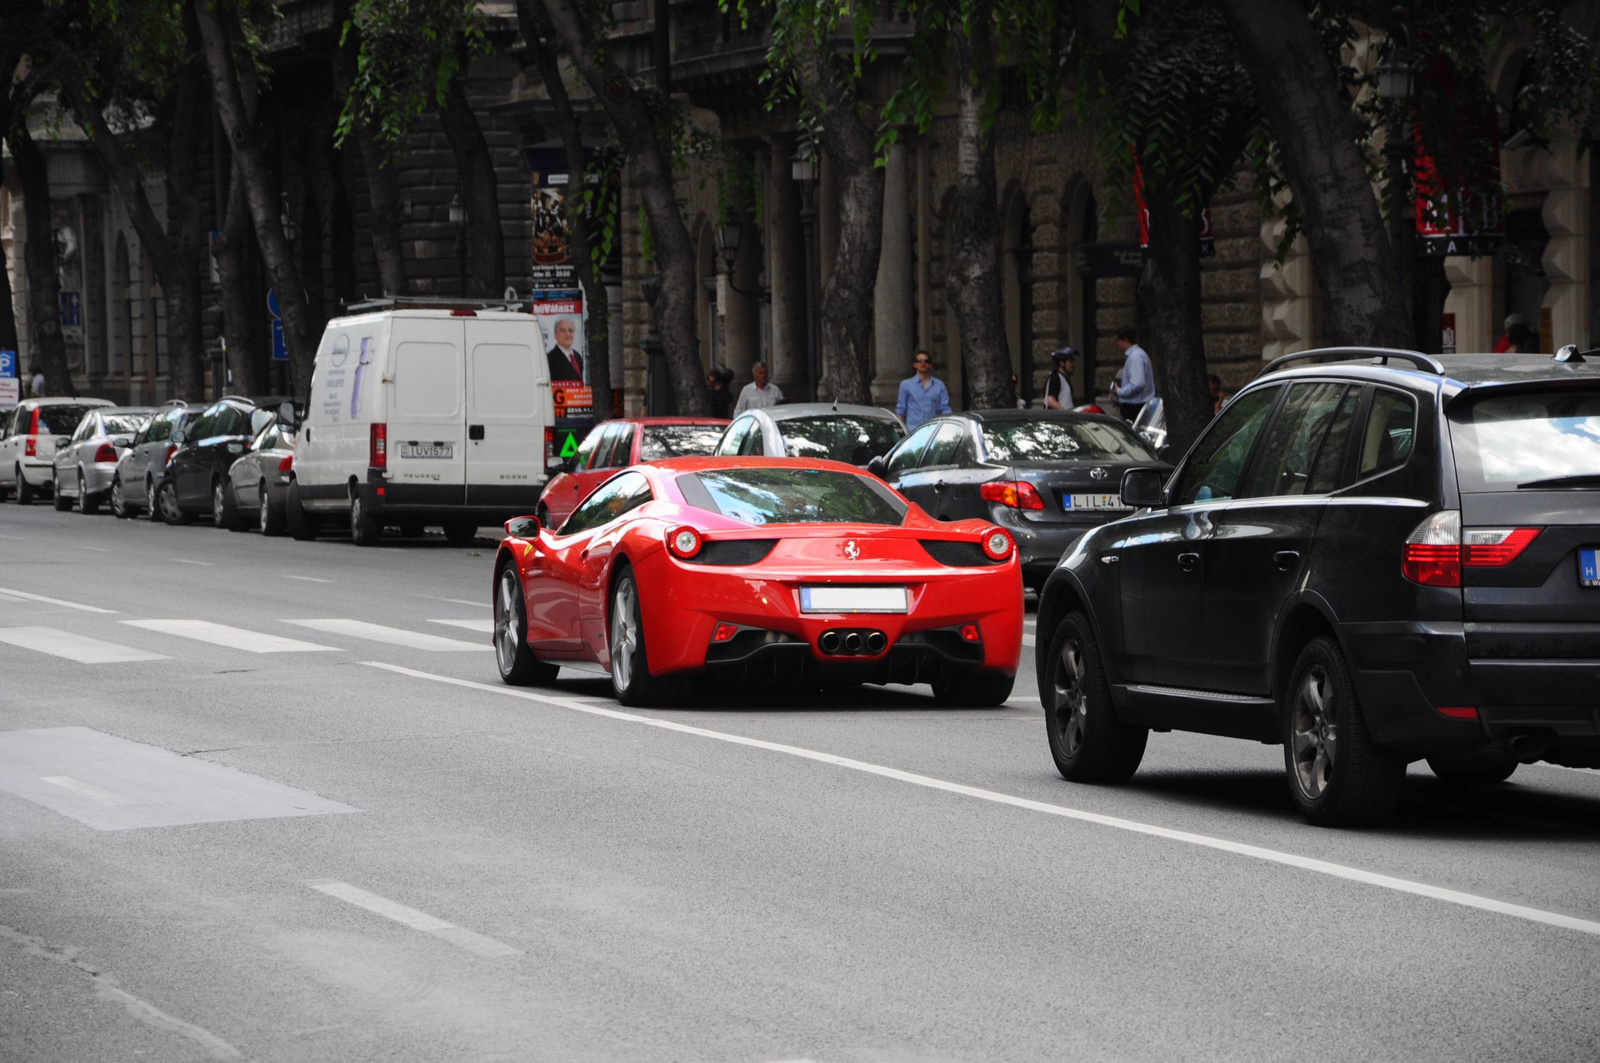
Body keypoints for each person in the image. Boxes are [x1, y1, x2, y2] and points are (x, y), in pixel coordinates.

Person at [895, 350, 952, 430]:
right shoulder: (906, 385)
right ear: (915, 365)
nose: (923, 363)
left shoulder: (939, 385)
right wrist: (902, 431)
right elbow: (901, 410)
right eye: (919, 361)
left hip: (933, 432)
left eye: (926, 361)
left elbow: (945, 409)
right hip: (913, 431)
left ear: (930, 365)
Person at [1111, 326, 1155, 423]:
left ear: (1125, 340)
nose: (1116, 344)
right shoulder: (1138, 355)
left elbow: (1138, 383)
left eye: (1117, 340)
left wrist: (1120, 391)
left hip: (1134, 408)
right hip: (1137, 406)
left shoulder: (1135, 357)